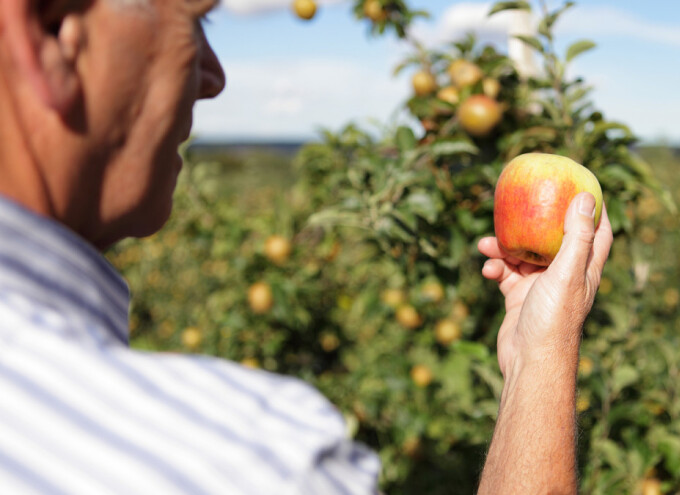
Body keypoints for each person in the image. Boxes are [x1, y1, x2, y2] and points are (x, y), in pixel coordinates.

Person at [0, 0, 613, 494]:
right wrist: (547, 357)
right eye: (196, 21)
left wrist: (535, 351)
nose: (214, 76)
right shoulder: (254, 461)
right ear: (52, 30)